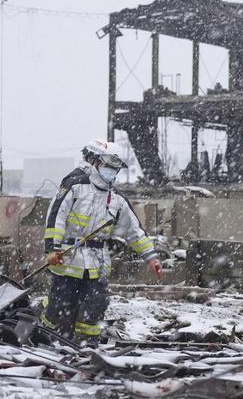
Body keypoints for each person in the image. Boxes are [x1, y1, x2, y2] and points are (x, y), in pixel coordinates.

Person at [41, 139, 163, 343]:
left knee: (96, 306)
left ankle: (87, 343)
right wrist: (52, 249)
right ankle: (49, 336)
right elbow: (56, 217)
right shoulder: (75, 185)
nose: (112, 171)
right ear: (93, 160)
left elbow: (134, 230)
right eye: (108, 165)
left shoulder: (116, 198)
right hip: (68, 260)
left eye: (116, 167)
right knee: (61, 305)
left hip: (98, 263)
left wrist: (151, 257)